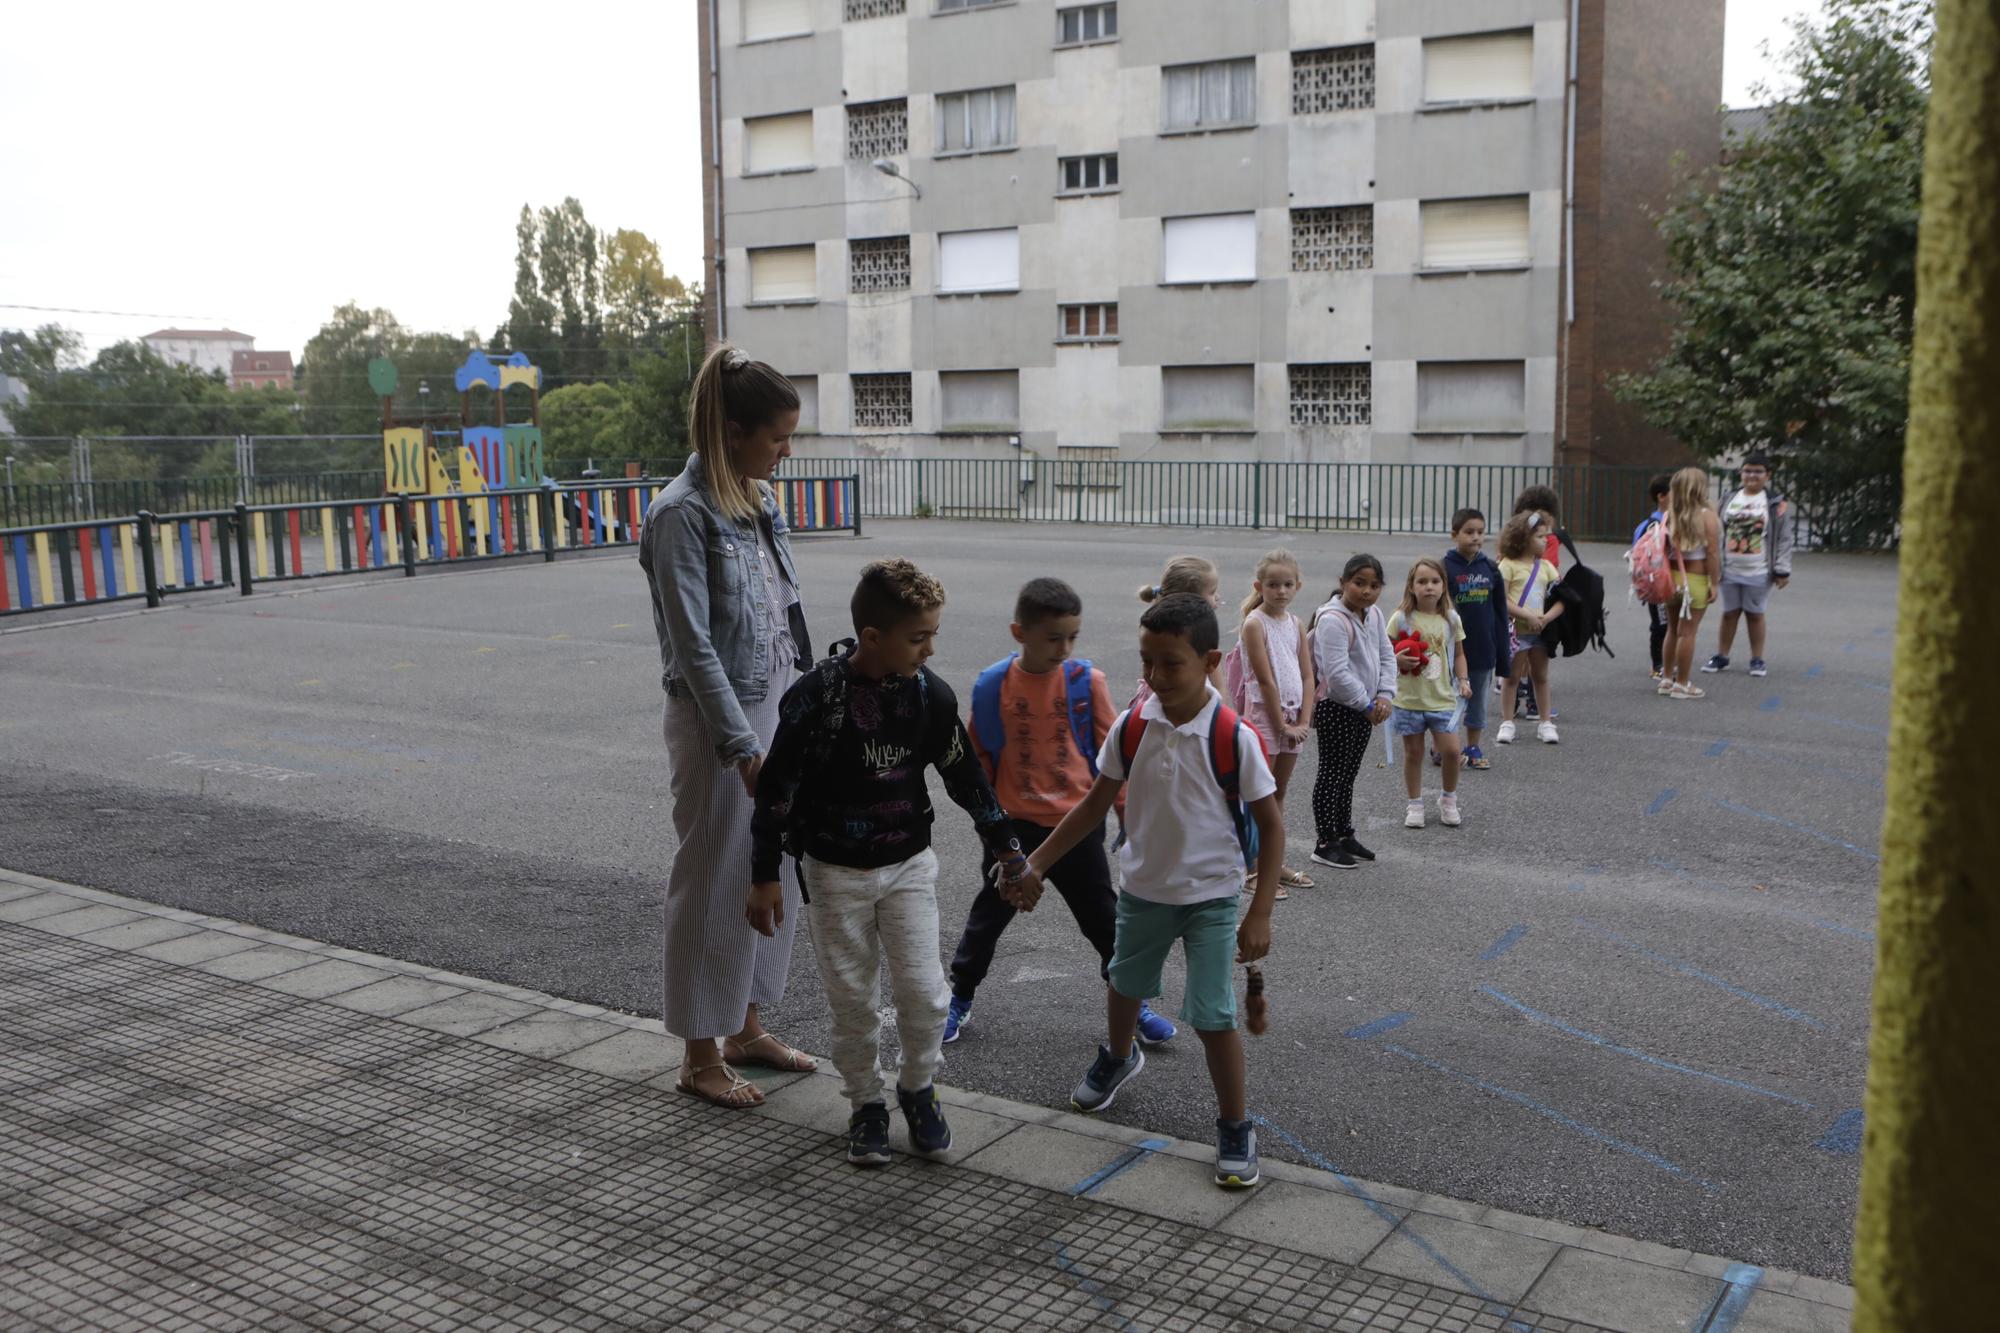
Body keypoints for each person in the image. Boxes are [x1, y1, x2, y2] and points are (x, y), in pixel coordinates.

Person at [747, 559, 1028, 1167]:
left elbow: (965, 776)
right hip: (833, 873)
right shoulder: (816, 699)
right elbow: (775, 790)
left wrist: (1007, 848)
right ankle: (866, 1104)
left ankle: (918, 1089)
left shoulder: (929, 696)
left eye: (932, 635)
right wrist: (764, 875)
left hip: (907, 867)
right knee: (852, 998)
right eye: (918, 636)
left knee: (927, 996)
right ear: (873, 637)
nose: (929, 648)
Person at [1014, 593, 1282, 1189]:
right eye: (1147, 663)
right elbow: (1092, 806)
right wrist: (1034, 863)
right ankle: (1117, 1056)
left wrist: (1259, 909)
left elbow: (1271, 824)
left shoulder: (1232, 736)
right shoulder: (1135, 725)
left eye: (1171, 664)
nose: (1156, 677)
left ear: (1211, 660)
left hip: (1211, 897)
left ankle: (1235, 1125)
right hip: (1141, 891)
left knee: (1213, 1015)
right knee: (1123, 982)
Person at [638, 343, 816, 1111]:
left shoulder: (758, 500)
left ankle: (743, 1026)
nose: (786, 449)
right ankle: (698, 1054)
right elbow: (693, 643)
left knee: (766, 872)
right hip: (720, 720)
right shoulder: (680, 512)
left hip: (774, 702)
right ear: (732, 431)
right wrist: (740, 744)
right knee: (713, 879)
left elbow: (785, 613)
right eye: (777, 435)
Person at [944, 577, 1177, 1047]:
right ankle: (960, 997)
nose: (1064, 648)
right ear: (1019, 633)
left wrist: (1128, 815)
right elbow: (978, 764)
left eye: (1072, 637)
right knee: (987, 917)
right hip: (1012, 830)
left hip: (1076, 826)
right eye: (1053, 638)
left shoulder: (1085, 682)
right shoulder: (993, 685)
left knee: (1104, 921)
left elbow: (1115, 755)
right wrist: (990, 833)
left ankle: (1134, 1004)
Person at [1307, 554, 1400, 870]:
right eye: (1359, 583)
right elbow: (1336, 674)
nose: (1367, 591)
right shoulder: (1332, 620)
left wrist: (1385, 695)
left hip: (1366, 709)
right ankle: (1325, 842)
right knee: (1331, 773)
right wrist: (1367, 704)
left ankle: (1344, 833)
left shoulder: (1373, 614)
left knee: (1348, 774)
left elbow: (1386, 655)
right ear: (1343, 582)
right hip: (1338, 708)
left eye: (1374, 585)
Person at [1236, 549, 1317, 893]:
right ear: (1260, 586)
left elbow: (1308, 676)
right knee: (1259, 794)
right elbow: (1265, 679)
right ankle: (1251, 867)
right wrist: (1282, 725)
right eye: (1273, 585)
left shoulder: (1296, 623)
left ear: (1297, 586)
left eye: (1287, 584)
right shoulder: (1255, 623)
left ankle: (1272, 861)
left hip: (1293, 718)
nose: (1281, 591)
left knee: (1278, 792)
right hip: (1265, 719)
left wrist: (1303, 720)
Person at [1387, 559, 1471, 828]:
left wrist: (1463, 679)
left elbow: (1459, 654)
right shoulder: (1401, 618)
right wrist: (1396, 660)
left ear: (1443, 586)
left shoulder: (1450, 618)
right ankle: (1415, 804)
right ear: (1411, 586)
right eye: (1422, 582)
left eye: (1435, 581)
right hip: (1408, 699)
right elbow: (1385, 653)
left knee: (1451, 750)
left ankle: (1448, 799)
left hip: (1442, 697)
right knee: (1413, 753)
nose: (1429, 587)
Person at [1704, 454, 1795, 679]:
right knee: (1729, 613)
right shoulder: (1729, 498)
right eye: (1747, 470)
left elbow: (1784, 538)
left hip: (1759, 569)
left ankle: (1757, 658)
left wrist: (1782, 569)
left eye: (1758, 471)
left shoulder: (1776, 503)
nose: (1752, 475)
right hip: (1729, 568)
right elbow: (1715, 530)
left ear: (1767, 475)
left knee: (1755, 614)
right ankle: (1722, 656)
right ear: (1740, 473)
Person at [1442, 509, 1509, 770]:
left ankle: (1472, 746)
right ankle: (1445, 746)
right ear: (1454, 534)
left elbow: (1501, 615)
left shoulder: (1491, 569)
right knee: (1448, 700)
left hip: (1483, 650)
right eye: (1469, 532)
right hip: (1452, 650)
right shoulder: (1445, 567)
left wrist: (1503, 657)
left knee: (1478, 702)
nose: (1476, 537)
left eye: (1480, 532)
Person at [1495, 515, 1562, 744]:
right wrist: (1528, 615)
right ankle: (1507, 722)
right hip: (1516, 632)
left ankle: (1546, 722)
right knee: (1511, 677)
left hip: (1541, 632)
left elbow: (1562, 599)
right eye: (1540, 536)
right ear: (1523, 538)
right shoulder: (1507, 565)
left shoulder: (1546, 567)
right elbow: (1501, 599)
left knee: (1540, 676)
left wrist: (1546, 618)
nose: (1546, 541)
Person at [1660, 467, 1723, 700]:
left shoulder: (1669, 515)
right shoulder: (1706, 516)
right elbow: (1713, 553)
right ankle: (1683, 684)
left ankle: (1666, 678)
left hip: (1670, 579)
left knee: (1671, 630)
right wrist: (1714, 583)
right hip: (1695, 580)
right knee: (1688, 633)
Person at [1509, 485, 1563, 720]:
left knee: (1526, 659)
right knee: (1527, 658)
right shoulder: (1546, 541)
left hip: (1531, 606)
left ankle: (1521, 695)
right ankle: (1530, 701)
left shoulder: (1515, 544)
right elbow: (1547, 566)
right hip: (1531, 605)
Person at [1139, 556, 1225, 692]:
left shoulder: (1158, 630)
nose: (1217, 597)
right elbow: (1219, 686)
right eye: (1212, 592)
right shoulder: (1191, 635)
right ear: (1192, 598)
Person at [1635, 474, 1673, 679]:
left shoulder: (1679, 522)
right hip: (1657, 584)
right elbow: (1636, 556)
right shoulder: (1649, 526)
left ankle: (1670, 661)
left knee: (1674, 624)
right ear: (1662, 497)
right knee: (1660, 625)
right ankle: (1658, 664)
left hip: (1675, 582)